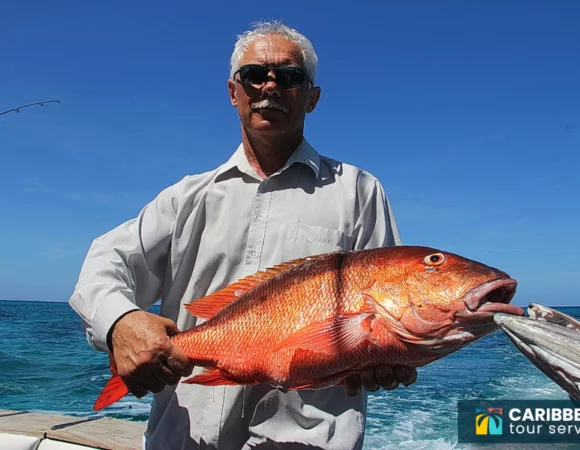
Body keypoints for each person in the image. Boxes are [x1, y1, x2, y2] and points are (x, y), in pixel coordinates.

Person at [69, 20, 417, 450]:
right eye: (254, 75)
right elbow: (106, 262)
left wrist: (384, 358)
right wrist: (120, 322)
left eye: (289, 76)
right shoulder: (187, 197)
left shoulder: (360, 192)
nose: (269, 86)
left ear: (312, 98)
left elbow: (387, 311)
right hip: (184, 440)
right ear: (234, 92)